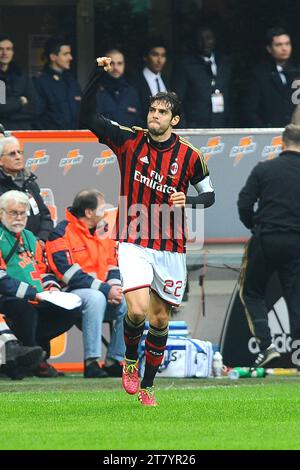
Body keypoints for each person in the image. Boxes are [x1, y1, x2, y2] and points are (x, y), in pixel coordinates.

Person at [79, 57, 215, 405]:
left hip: (171, 247)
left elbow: (210, 196)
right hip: (133, 240)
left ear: (175, 120)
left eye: (161, 112)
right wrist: (97, 75)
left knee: (159, 321)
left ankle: (148, 386)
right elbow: (88, 118)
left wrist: (190, 201)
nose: (154, 116)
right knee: (136, 311)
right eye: (152, 110)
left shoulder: (190, 156)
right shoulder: (128, 140)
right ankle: (128, 362)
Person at [237, 124, 300, 369]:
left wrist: (255, 226)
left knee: (252, 292)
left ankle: (266, 346)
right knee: (296, 299)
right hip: (297, 242)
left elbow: (244, 203)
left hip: (266, 238)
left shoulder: (265, 169)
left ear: (282, 144)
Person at [46, 189, 126, 378]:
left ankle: (114, 360)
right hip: (70, 294)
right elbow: (67, 274)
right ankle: (91, 363)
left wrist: (115, 288)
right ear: (89, 212)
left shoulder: (103, 231)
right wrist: (106, 289)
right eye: (101, 208)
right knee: (96, 297)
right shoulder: (60, 233)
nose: (105, 212)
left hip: (102, 293)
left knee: (130, 302)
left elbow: (112, 264)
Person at [0, 190, 81, 378]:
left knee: (68, 312)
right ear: (1, 213)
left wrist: (52, 288)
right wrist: (31, 294)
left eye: (22, 213)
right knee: (24, 309)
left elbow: (43, 271)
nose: (18, 218)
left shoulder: (30, 238)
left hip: (37, 296)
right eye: (13, 213)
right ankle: (33, 362)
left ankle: (37, 357)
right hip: (10, 298)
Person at [172, 25, 234, 128]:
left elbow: (230, 97)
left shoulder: (224, 64)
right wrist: (185, 127)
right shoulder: (185, 66)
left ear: (214, 40)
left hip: (221, 127)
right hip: (195, 128)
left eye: (208, 38)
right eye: (200, 39)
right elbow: (177, 100)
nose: (205, 43)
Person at [0, 135, 53, 246]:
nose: (18, 157)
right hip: (9, 247)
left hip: (37, 246)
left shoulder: (30, 183)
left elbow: (45, 216)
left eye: (19, 152)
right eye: (12, 154)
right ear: (1, 160)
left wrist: (42, 239)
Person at [243, 26, 298, 127]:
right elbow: (250, 110)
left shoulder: (296, 73)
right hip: (269, 134)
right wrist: (264, 131)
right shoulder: (259, 74)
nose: (284, 48)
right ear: (269, 48)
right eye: (278, 45)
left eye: (287, 44)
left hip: (294, 134)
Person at [34, 36, 81, 130]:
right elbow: (37, 116)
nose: (70, 58)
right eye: (65, 54)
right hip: (52, 139)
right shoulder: (40, 82)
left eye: (70, 53)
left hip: (75, 138)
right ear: (53, 57)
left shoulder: (72, 81)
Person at [96, 48, 142, 128]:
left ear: (124, 65)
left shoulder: (132, 93)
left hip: (127, 140)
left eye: (119, 63)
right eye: (112, 63)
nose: (116, 68)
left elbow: (139, 123)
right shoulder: (95, 92)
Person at [0, 34, 38, 130]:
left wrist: (8, 113)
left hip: (22, 131)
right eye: (1, 49)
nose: (4, 53)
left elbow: (34, 107)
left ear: (13, 52)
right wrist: (20, 101)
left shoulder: (22, 76)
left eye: (8, 49)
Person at [131, 37, 169, 126]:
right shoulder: (135, 82)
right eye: (155, 55)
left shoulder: (166, 81)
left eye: (163, 55)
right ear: (145, 57)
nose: (159, 60)